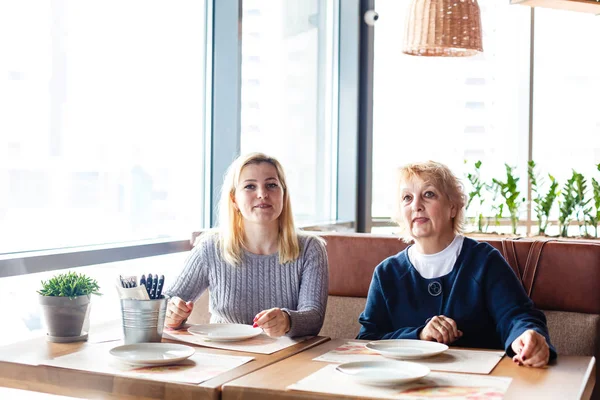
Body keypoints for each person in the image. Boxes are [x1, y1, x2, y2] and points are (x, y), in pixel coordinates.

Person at [358, 161, 556, 367]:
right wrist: (419, 334)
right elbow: (367, 339)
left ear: (453, 207)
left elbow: (516, 316)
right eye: (407, 198)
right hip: (402, 383)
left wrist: (524, 338)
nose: (416, 205)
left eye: (429, 194)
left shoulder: (485, 260)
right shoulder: (386, 273)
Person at [163, 152, 328, 338]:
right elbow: (167, 303)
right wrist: (171, 313)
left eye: (271, 185)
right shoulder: (210, 247)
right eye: (250, 186)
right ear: (234, 200)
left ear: (284, 195)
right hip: (224, 355)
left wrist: (287, 321)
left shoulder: (310, 248)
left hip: (285, 358)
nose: (262, 194)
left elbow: (314, 318)